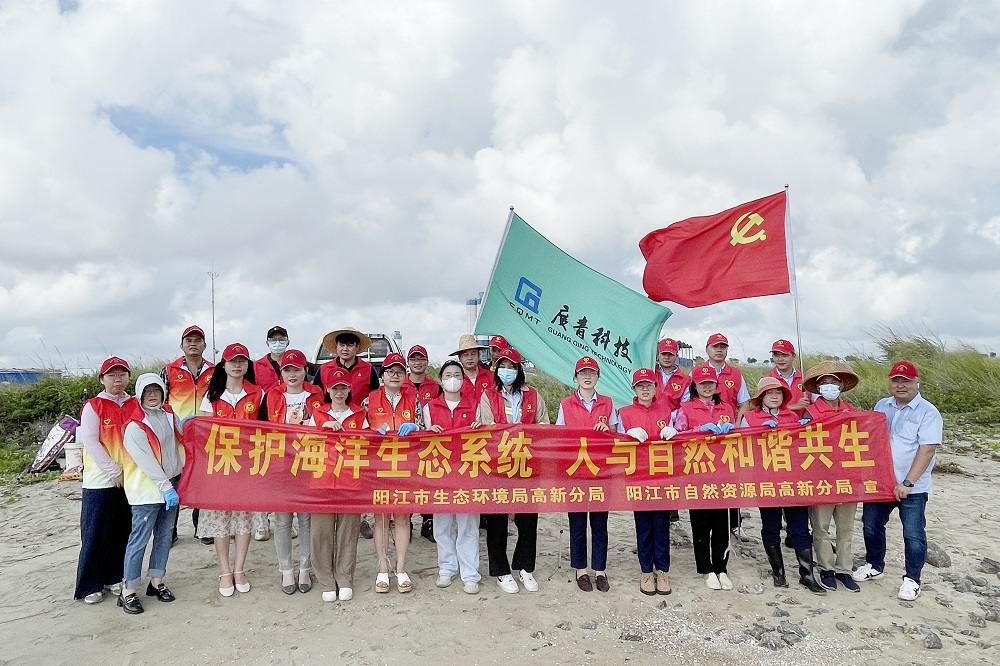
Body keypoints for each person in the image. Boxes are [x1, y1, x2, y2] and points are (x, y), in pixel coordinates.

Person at [854, 360, 942, 601]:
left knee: (913, 533)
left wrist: (908, 483)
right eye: (896, 380)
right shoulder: (882, 405)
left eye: (906, 381)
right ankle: (874, 565)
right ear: (889, 382)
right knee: (871, 525)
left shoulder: (928, 412)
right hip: (881, 482)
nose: (901, 385)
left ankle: (912, 580)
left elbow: (927, 450)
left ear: (917, 382)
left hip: (912, 487)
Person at [741, 377, 825, 594]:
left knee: (800, 526)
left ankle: (807, 574)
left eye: (778, 392)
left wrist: (805, 430)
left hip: (792, 480)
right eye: (769, 393)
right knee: (771, 526)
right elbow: (742, 448)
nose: (774, 396)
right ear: (761, 397)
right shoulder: (749, 418)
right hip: (765, 480)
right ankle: (778, 571)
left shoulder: (793, 416)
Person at [478, 347, 549, 594]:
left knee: (528, 520)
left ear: (519, 370)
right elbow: (487, 428)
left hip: (527, 465)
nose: (506, 371)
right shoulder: (489, 395)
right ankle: (501, 570)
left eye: (511, 367)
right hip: (498, 466)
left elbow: (544, 425)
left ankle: (525, 567)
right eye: (502, 366)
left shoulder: (533, 395)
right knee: (497, 521)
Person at [197, 343, 266, 597]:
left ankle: (239, 569)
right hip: (221, 465)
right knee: (221, 519)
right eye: (232, 361)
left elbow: (265, 430)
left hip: (248, 466)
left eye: (242, 361)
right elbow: (204, 432)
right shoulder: (212, 395)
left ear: (248, 365)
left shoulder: (258, 393)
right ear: (223, 365)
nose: (237, 365)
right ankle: (225, 570)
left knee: (244, 518)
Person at [74, 357, 139, 604]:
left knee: (121, 531)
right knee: (95, 533)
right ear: (102, 379)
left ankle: (115, 577)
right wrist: (113, 471)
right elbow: (91, 442)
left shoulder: (135, 403)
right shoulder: (94, 406)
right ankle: (90, 584)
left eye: (122, 374)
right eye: (111, 375)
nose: (117, 379)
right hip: (100, 481)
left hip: (130, 478)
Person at [118, 373, 184, 614]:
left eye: (156, 390)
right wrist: (166, 488)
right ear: (139, 394)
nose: (153, 395)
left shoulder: (168, 415)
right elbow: (147, 462)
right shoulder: (135, 425)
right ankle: (128, 590)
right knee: (139, 539)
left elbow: (181, 439)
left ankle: (156, 581)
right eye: (147, 391)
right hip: (147, 491)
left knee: (165, 536)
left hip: (171, 485)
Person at [261, 349, 325, 595]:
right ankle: (286, 569)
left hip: (309, 462)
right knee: (282, 520)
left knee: (306, 518)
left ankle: (305, 568)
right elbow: (261, 428)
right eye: (287, 369)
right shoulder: (272, 395)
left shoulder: (316, 393)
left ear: (305, 370)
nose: (292, 374)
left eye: (296, 369)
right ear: (281, 372)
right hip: (281, 463)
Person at [556, 356, 618, 593]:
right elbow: (560, 437)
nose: (587, 377)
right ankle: (580, 569)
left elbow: (615, 434)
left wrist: (606, 431)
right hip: (576, 472)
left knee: (600, 523)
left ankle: (600, 570)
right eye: (583, 373)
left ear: (598, 377)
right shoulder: (565, 404)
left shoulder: (607, 403)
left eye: (592, 373)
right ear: (576, 377)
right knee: (578, 522)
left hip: (601, 471)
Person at [672, 364, 736, 591]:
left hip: (722, 471)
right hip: (697, 472)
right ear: (695, 386)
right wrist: (700, 429)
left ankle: (721, 567)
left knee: (721, 524)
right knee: (701, 524)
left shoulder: (726, 408)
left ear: (716, 385)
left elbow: (737, 435)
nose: (707, 387)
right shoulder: (686, 409)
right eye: (702, 384)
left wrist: (731, 430)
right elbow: (678, 437)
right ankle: (705, 568)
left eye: (710, 383)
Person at [423, 359, 483, 595]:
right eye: (448, 375)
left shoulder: (474, 405)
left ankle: (470, 573)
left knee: (468, 525)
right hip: (440, 473)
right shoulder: (430, 408)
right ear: (441, 380)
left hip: (468, 473)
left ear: (463, 379)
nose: (453, 379)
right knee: (442, 525)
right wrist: (428, 432)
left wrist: (479, 428)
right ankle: (447, 568)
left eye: (457, 375)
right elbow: (421, 440)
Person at [802, 360, 862, 592]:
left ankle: (844, 569)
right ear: (818, 388)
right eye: (824, 383)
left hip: (847, 476)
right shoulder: (810, 412)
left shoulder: (851, 411)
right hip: (821, 477)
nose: (829, 387)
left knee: (846, 528)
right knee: (821, 527)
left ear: (841, 386)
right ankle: (826, 568)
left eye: (833, 383)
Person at [618, 368, 676, 596]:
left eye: (648, 385)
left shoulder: (666, 411)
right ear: (634, 388)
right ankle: (645, 571)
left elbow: (678, 439)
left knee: (661, 526)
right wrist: (627, 436)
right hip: (638, 477)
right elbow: (615, 445)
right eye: (640, 385)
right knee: (643, 526)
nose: (644, 389)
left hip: (662, 477)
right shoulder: (624, 413)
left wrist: (674, 432)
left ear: (655, 388)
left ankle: (662, 570)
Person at [310, 367, 365, 602]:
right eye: (335, 388)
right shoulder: (318, 414)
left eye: (344, 387)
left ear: (349, 389)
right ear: (328, 390)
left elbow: (368, 445)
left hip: (350, 480)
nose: (339, 392)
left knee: (347, 532)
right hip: (322, 479)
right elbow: (303, 442)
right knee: (321, 533)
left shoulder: (359, 414)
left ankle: (344, 577)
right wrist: (322, 430)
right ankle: (325, 579)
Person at [366, 352, 419, 593]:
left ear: (405, 375)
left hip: (405, 465)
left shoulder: (413, 399)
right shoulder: (370, 400)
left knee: (402, 517)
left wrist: (416, 427)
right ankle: (382, 567)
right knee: (380, 518)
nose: (395, 376)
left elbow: (425, 427)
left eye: (399, 372)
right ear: (382, 375)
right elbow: (360, 430)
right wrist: (372, 433)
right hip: (379, 465)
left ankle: (401, 567)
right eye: (390, 371)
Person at [160, 325, 213, 545]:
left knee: (202, 481)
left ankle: (202, 528)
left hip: (204, 436)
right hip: (176, 436)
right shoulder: (169, 370)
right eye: (188, 340)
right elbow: (160, 401)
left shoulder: (215, 370)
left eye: (197, 340)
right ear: (181, 345)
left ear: (204, 345)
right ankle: (169, 530)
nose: (193, 344)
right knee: (174, 480)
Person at [704, 333, 751, 538]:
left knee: (732, 476)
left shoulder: (736, 374)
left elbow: (744, 402)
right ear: (707, 349)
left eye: (723, 347)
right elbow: (688, 402)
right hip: (704, 436)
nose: (719, 350)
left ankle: (734, 522)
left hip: (729, 434)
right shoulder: (697, 373)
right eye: (715, 346)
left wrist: (738, 425)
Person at [403, 344, 441, 543]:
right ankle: (406, 520)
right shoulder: (401, 384)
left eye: (421, 359)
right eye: (413, 359)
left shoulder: (435, 386)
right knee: (407, 480)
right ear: (408, 362)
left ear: (426, 362)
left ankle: (428, 521)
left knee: (428, 480)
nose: (417, 363)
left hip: (428, 442)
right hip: (405, 442)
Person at [317, 327, 380, 408]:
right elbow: (317, 396)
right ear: (336, 346)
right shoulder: (324, 369)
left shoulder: (369, 369)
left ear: (357, 347)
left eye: (350, 345)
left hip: (361, 414)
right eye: (342, 345)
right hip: (330, 415)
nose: (345, 349)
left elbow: (375, 396)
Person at [767, 339, 810, 414]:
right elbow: (764, 410)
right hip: (778, 421)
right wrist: (794, 407)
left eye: (785, 355)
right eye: (776, 355)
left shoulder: (806, 378)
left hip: (804, 421)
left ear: (793, 356)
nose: (780, 359)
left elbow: (817, 403)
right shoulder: (767, 380)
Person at [451, 334, 493, 403]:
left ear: (479, 356)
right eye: (465, 355)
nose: (470, 358)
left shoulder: (491, 377)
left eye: (473, 354)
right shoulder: (454, 380)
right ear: (459, 358)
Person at [654, 338, 691, 414]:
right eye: (664, 354)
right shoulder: (650, 373)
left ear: (676, 356)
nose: (667, 357)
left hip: (673, 420)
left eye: (670, 354)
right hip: (648, 418)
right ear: (658, 354)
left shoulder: (686, 381)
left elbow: (684, 408)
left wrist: (667, 417)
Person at [253, 325, 290, 393]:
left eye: (281, 339)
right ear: (267, 343)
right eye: (273, 340)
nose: (277, 343)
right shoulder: (256, 366)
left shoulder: (297, 365)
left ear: (287, 342)